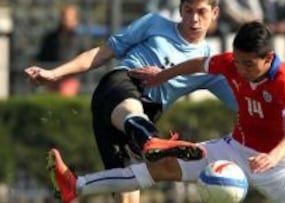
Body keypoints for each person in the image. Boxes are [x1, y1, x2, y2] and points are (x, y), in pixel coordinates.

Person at [46, 21, 285, 203]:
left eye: (249, 64)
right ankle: (75, 184)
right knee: (161, 167)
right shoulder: (231, 63)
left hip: (281, 167)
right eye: (238, 61)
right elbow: (195, 64)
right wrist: (162, 76)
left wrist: (272, 156)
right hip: (235, 150)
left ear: (269, 59)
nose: (240, 69)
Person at [26, 1, 237, 203]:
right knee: (130, 108)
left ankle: (74, 184)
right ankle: (150, 139)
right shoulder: (154, 23)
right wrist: (55, 74)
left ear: (215, 13)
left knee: (128, 188)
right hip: (119, 86)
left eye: (201, 12)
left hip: (144, 115)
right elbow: (102, 53)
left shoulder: (210, 65)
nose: (194, 19)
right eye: (188, 10)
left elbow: (243, 105)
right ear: (180, 10)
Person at [36, 4, 82, 97]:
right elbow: (43, 56)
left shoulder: (78, 39)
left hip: (69, 77)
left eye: (69, 17)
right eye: (64, 16)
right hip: (52, 75)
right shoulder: (51, 38)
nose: (66, 20)